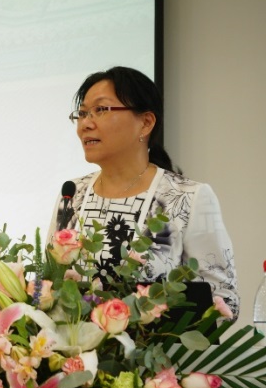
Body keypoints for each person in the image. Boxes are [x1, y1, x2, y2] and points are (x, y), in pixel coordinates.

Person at [50, 66, 239, 316]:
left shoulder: (188, 197)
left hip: (159, 342)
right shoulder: (73, 194)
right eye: (82, 113)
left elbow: (224, 299)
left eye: (100, 110)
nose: (85, 124)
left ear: (146, 123)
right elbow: (50, 283)